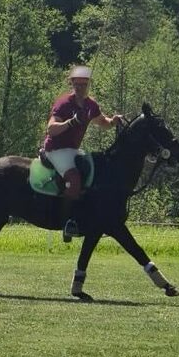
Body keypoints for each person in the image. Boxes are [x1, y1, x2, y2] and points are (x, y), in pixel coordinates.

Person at [42, 65, 124, 242]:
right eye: (76, 84)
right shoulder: (63, 103)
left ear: (88, 85)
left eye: (83, 84)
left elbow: (103, 123)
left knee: (94, 173)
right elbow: (51, 130)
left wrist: (114, 121)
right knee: (74, 178)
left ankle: (87, 216)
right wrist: (71, 122)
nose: (80, 88)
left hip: (72, 151)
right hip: (55, 150)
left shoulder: (90, 105)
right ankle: (68, 222)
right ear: (72, 84)